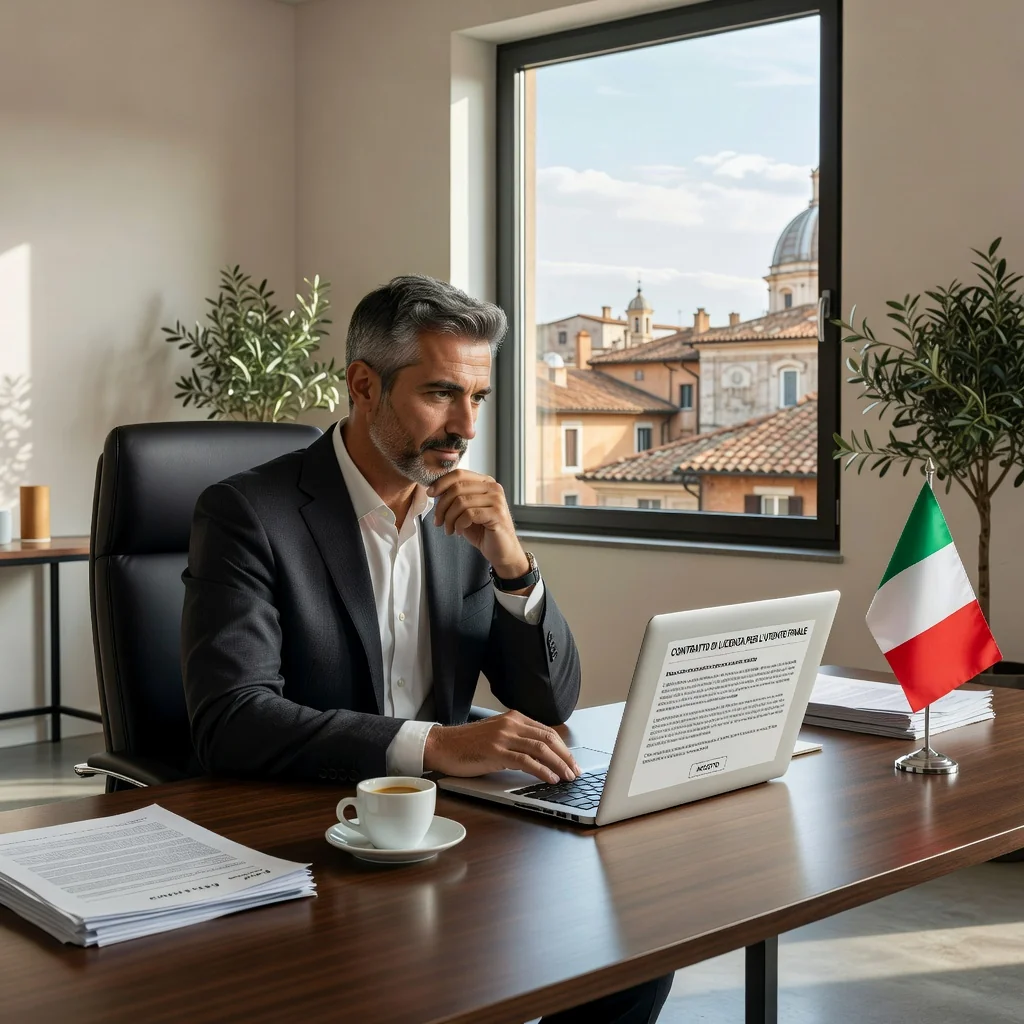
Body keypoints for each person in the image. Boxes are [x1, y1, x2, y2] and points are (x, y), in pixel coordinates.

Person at [181, 274, 673, 1024]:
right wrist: (438, 745)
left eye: (477, 397)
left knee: (631, 959)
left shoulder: (462, 520)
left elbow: (548, 700)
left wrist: (513, 562)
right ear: (364, 386)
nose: (465, 425)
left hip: (451, 832)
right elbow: (232, 719)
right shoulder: (249, 514)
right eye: (442, 393)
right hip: (314, 827)